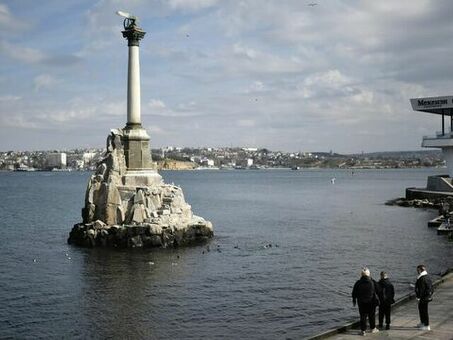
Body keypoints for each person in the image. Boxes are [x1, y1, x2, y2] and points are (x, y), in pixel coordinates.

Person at [352, 267, 380, 336]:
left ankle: (363, 331)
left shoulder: (358, 283)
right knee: (372, 316)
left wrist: (354, 300)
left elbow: (354, 293)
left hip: (361, 303)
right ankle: (373, 329)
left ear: (361, 275)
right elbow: (379, 290)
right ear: (369, 274)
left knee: (363, 316)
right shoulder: (372, 282)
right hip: (371, 302)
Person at [415, 264, 433, 331]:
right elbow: (431, 287)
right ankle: (423, 322)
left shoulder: (422, 278)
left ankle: (427, 325)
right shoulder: (427, 276)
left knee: (424, 311)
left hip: (423, 297)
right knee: (422, 310)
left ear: (420, 270)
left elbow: (421, 289)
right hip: (426, 296)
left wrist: (418, 297)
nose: (417, 271)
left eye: (417, 270)